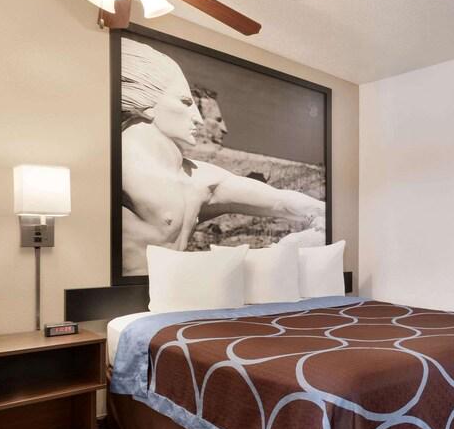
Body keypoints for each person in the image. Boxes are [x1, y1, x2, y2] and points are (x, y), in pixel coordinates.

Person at [119, 37, 325, 276]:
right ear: (147, 104)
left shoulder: (201, 180)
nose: (198, 118)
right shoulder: (117, 168)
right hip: (125, 294)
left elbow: (281, 201)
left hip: (185, 292)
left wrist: (312, 228)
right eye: (185, 102)